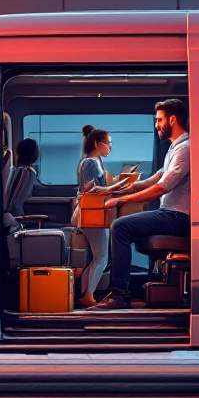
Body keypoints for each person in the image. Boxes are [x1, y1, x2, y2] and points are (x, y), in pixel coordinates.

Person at [86, 99, 190, 311]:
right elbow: (151, 180)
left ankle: (119, 296)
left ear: (172, 119)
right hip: (168, 214)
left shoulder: (185, 149)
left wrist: (121, 200)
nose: (157, 125)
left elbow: (161, 187)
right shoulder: (174, 148)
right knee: (125, 226)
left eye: (159, 120)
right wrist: (112, 190)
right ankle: (122, 293)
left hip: (178, 217)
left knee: (120, 226)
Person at [75, 126, 130, 307]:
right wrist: (119, 185)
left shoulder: (91, 161)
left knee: (97, 257)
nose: (110, 148)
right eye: (109, 144)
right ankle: (88, 295)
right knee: (102, 257)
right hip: (92, 214)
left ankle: (85, 293)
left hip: (88, 213)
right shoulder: (91, 163)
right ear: (98, 144)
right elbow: (92, 190)